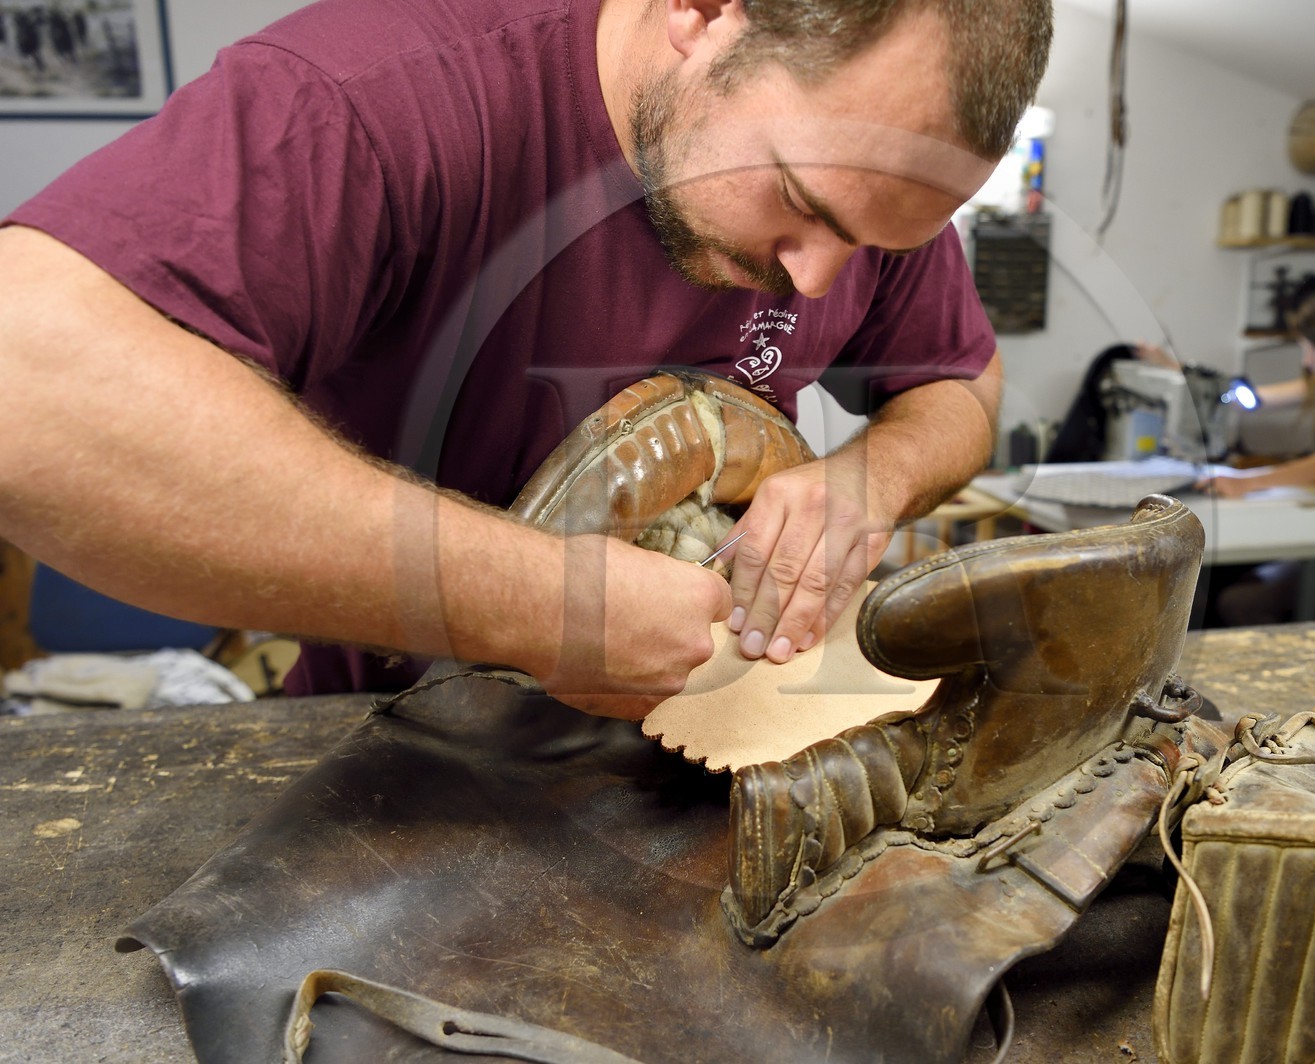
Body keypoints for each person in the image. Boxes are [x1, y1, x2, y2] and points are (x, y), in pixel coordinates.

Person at [0, 0, 1053, 718]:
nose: (821, 283)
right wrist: (545, 606)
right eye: (797, 201)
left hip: (677, 748)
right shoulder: (383, 92)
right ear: (700, 10)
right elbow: (27, 384)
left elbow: (958, 381)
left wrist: (872, 479)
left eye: (877, 245)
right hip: (385, 742)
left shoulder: (859, 200)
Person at [1143, 288, 1315, 626]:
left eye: (1314, 347)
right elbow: (1247, 398)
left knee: (1239, 601)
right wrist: (1175, 368)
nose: (1307, 360)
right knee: (1206, 583)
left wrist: (1245, 483)